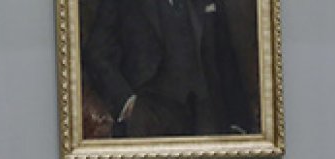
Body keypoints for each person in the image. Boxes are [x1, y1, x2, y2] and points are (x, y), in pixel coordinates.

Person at [84, 0, 255, 138]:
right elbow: (97, 53)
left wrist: (239, 122)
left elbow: (225, 58)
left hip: (206, 111)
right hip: (149, 112)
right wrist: (127, 102)